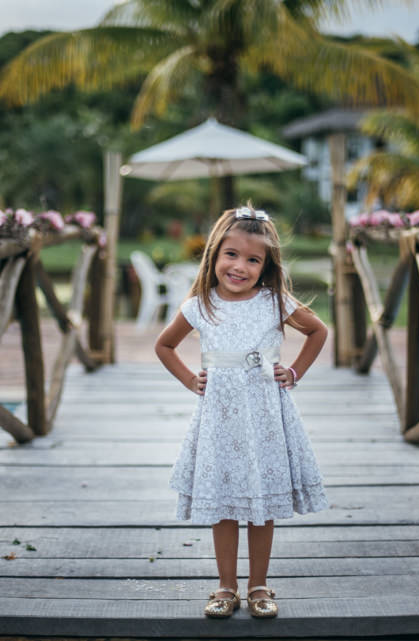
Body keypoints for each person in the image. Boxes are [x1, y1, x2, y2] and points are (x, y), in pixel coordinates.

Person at [154, 205, 329, 619]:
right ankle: (226, 586)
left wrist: (295, 371)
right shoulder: (201, 304)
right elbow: (164, 345)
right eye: (231, 255)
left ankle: (259, 585)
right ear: (214, 254)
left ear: (266, 265)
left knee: (261, 504)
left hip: (266, 417)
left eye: (253, 260)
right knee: (225, 503)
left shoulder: (274, 301)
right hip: (220, 420)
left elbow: (318, 330)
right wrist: (188, 379)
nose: (240, 266)